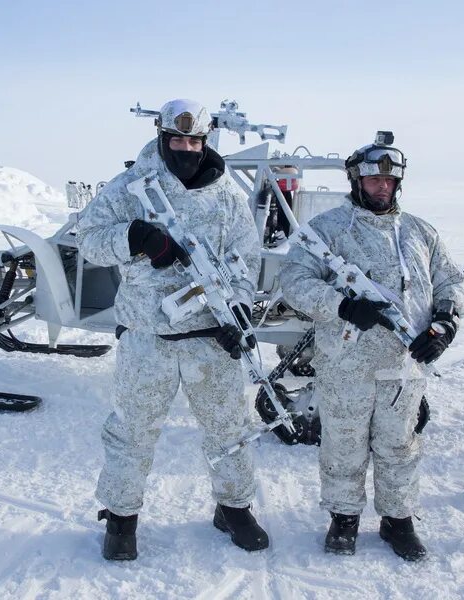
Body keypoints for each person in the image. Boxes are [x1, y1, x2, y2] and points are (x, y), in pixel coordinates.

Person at [76, 99, 268, 560]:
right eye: (177, 141)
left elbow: (247, 255)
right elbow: (88, 239)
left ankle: (234, 508)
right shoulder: (130, 188)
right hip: (148, 339)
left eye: (195, 141)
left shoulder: (225, 195)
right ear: (162, 139)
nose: (187, 149)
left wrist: (236, 309)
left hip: (211, 339)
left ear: (205, 142)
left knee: (229, 430)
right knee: (132, 433)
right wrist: (134, 238)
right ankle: (121, 519)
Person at [280, 134, 464, 561]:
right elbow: (294, 281)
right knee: (344, 441)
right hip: (346, 362)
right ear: (355, 180)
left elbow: (450, 282)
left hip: (404, 363)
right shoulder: (326, 231)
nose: (382, 186)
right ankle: (344, 517)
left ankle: (397, 519)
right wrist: (341, 306)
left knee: (399, 443)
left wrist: (445, 324)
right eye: (372, 178)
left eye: (389, 179)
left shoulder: (420, 232)